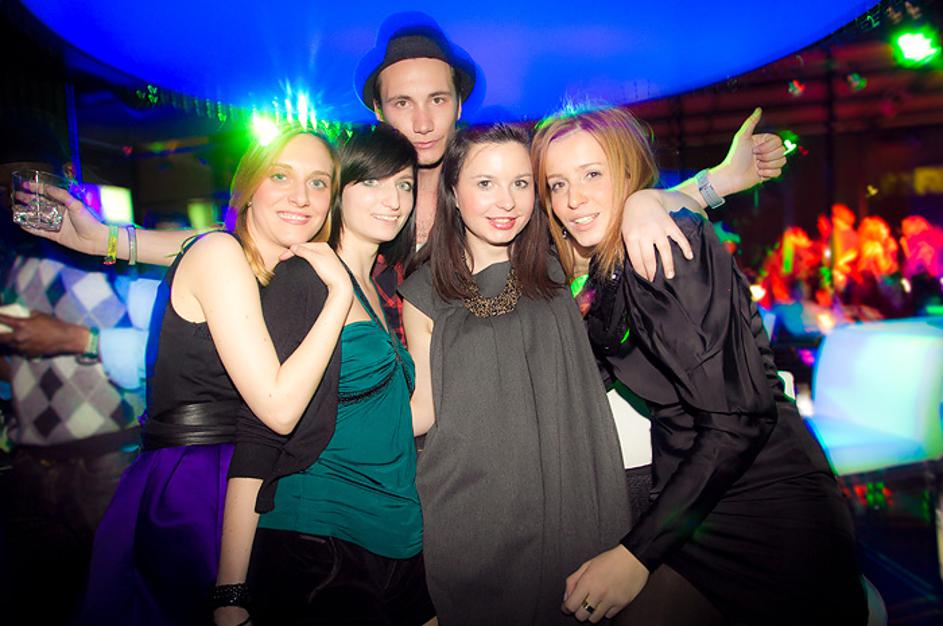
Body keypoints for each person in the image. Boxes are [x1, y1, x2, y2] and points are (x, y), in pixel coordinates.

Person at [532, 106, 867, 625]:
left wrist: (634, 556)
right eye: (557, 184)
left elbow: (740, 419)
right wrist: (698, 187)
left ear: (628, 172)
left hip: (766, 507)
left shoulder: (669, 246)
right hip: (694, 509)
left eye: (592, 174)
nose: (573, 200)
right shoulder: (608, 267)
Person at [68, 127, 354, 626]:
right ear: (248, 187)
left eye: (318, 183)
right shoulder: (220, 253)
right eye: (280, 176)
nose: (300, 197)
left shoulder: (279, 268)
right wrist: (340, 297)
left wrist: (110, 239)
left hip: (243, 477)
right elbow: (278, 409)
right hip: (197, 484)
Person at [399, 123, 630, 625]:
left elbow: (621, 207)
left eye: (521, 183)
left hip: (566, 498)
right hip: (469, 511)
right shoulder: (422, 290)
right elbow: (424, 409)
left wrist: (691, 191)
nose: (506, 201)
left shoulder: (561, 259)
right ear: (453, 191)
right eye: (485, 183)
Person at [242, 123, 435, 626]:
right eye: (371, 182)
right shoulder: (304, 276)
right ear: (336, 190)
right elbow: (258, 428)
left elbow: (405, 418)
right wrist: (230, 588)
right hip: (323, 537)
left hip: (397, 534)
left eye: (404, 184)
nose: (393, 200)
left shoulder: (380, 289)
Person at [0, 117, 155, 626]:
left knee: (126, 602)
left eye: (28, 182)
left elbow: (167, 352)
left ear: (65, 176)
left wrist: (72, 338)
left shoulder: (120, 251)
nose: (19, 199)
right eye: (6, 188)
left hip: (110, 462)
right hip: (30, 464)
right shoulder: (9, 260)